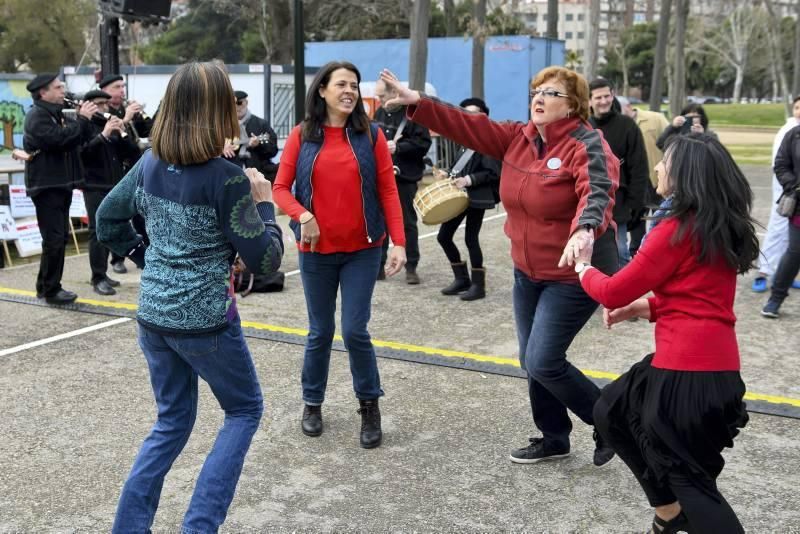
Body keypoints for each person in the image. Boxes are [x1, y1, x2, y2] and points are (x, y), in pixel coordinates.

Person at [379, 66, 619, 466]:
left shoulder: (587, 143)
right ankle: (554, 438)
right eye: (536, 91)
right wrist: (419, 102)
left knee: (543, 360)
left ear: (573, 105)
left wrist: (586, 229)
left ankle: (613, 422)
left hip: (571, 274)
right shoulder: (518, 137)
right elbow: (467, 125)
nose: (539, 98)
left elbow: (597, 188)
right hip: (527, 272)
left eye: (552, 93)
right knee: (532, 360)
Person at [96, 62, 284, 532]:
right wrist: (266, 207)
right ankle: (199, 526)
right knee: (243, 410)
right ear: (218, 110)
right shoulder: (228, 177)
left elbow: (107, 220)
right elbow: (265, 262)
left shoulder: (150, 163)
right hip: (205, 321)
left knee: (171, 422)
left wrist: (148, 259)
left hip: (154, 315)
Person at [572, 133, 758, 533]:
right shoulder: (713, 224)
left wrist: (584, 267)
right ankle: (669, 514)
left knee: (695, 487)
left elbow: (612, 290)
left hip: (686, 377)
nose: (657, 166)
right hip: (704, 369)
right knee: (611, 410)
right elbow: (701, 298)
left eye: (665, 161)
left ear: (683, 173)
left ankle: (675, 512)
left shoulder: (675, 229)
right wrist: (645, 308)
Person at [273, 61, 407, 449]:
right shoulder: (302, 135)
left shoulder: (372, 136)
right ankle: (312, 403)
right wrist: (304, 215)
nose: (349, 90)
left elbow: (388, 192)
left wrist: (399, 242)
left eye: (354, 84)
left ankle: (369, 405)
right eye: (341, 84)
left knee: (354, 330)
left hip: (363, 249)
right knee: (320, 331)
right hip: (315, 251)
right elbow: (281, 188)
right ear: (323, 91)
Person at [22, 73, 97, 304]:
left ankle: (46, 286)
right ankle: (51, 289)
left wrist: (83, 119)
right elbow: (59, 140)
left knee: (58, 238)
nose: (62, 90)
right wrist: (82, 120)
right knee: (53, 239)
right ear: (43, 93)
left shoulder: (54, 115)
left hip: (59, 185)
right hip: (46, 187)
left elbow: (76, 137)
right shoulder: (37, 116)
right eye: (57, 87)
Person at [435, 97, 500, 301]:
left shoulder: (489, 139)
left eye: (475, 112)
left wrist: (468, 180)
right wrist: (448, 174)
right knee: (443, 236)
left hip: (477, 197)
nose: (470, 116)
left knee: (470, 239)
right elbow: (460, 167)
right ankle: (461, 278)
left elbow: (493, 172)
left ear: (484, 116)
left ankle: (478, 285)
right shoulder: (465, 138)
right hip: (460, 195)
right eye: (467, 112)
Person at [79, 89, 141, 296]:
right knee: (97, 231)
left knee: (111, 228)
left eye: (106, 104)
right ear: (89, 105)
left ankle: (104, 273)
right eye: (99, 104)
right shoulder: (84, 125)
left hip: (113, 184)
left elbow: (131, 153)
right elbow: (83, 154)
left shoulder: (109, 124)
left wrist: (122, 133)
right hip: (94, 185)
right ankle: (97, 277)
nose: (105, 108)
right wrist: (104, 134)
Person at [373, 77, 432, 284]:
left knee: (407, 222)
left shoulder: (411, 114)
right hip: (381, 175)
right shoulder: (380, 113)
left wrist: (399, 147)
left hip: (405, 176)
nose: (378, 99)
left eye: (381, 95)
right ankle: (378, 265)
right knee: (379, 221)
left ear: (393, 93)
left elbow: (424, 143)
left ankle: (411, 267)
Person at [589, 79, 649, 267]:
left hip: (619, 204)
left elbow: (639, 168)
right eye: (598, 97)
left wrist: (635, 204)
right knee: (588, 252)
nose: (604, 101)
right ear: (589, 101)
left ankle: (621, 295)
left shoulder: (628, 126)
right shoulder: (584, 128)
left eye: (607, 96)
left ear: (613, 95)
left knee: (620, 252)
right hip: (588, 201)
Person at [98, 73, 154, 274]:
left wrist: (140, 115)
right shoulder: (102, 112)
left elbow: (148, 132)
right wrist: (126, 118)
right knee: (115, 215)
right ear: (104, 90)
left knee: (141, 216)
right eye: (116, 87)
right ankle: (117, 259)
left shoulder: (125, 109)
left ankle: (147, 255)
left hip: (134, 168)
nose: (122, 91)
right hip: (114, 173)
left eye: (123, 87)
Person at [753, 95, 800, 293]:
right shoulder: (789, 131)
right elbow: (779, 164)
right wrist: (793, 186)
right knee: (777, 229)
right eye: (797, 107)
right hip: (787, 191)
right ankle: (763, 272)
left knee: (791, 239)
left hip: (792, 190)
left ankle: (785, 274)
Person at [617, 96, 669, 256]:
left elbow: (673, 142)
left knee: (664, 224)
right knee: (637, 227)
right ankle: (637, 255)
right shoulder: (620, 126)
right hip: (638, 185)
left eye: (619, 109)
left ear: (629, 106)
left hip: (660, 181)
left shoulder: (656, 119)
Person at [762, 123, 800, 318]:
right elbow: (781, 164)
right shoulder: (794, 135)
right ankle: (775, 298)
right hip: (799, 206)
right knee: (795, 253)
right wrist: (794, 185)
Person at [222, 90, 280, 181]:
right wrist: (222, 149)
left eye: (239, 103)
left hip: (258, 177)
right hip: (230, 178)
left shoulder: (261, 124)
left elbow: (273, 149)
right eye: (233, 104)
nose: (237, 107)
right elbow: (210, 148)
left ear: (246, 102)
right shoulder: (223, 126)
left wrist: (259, 144)